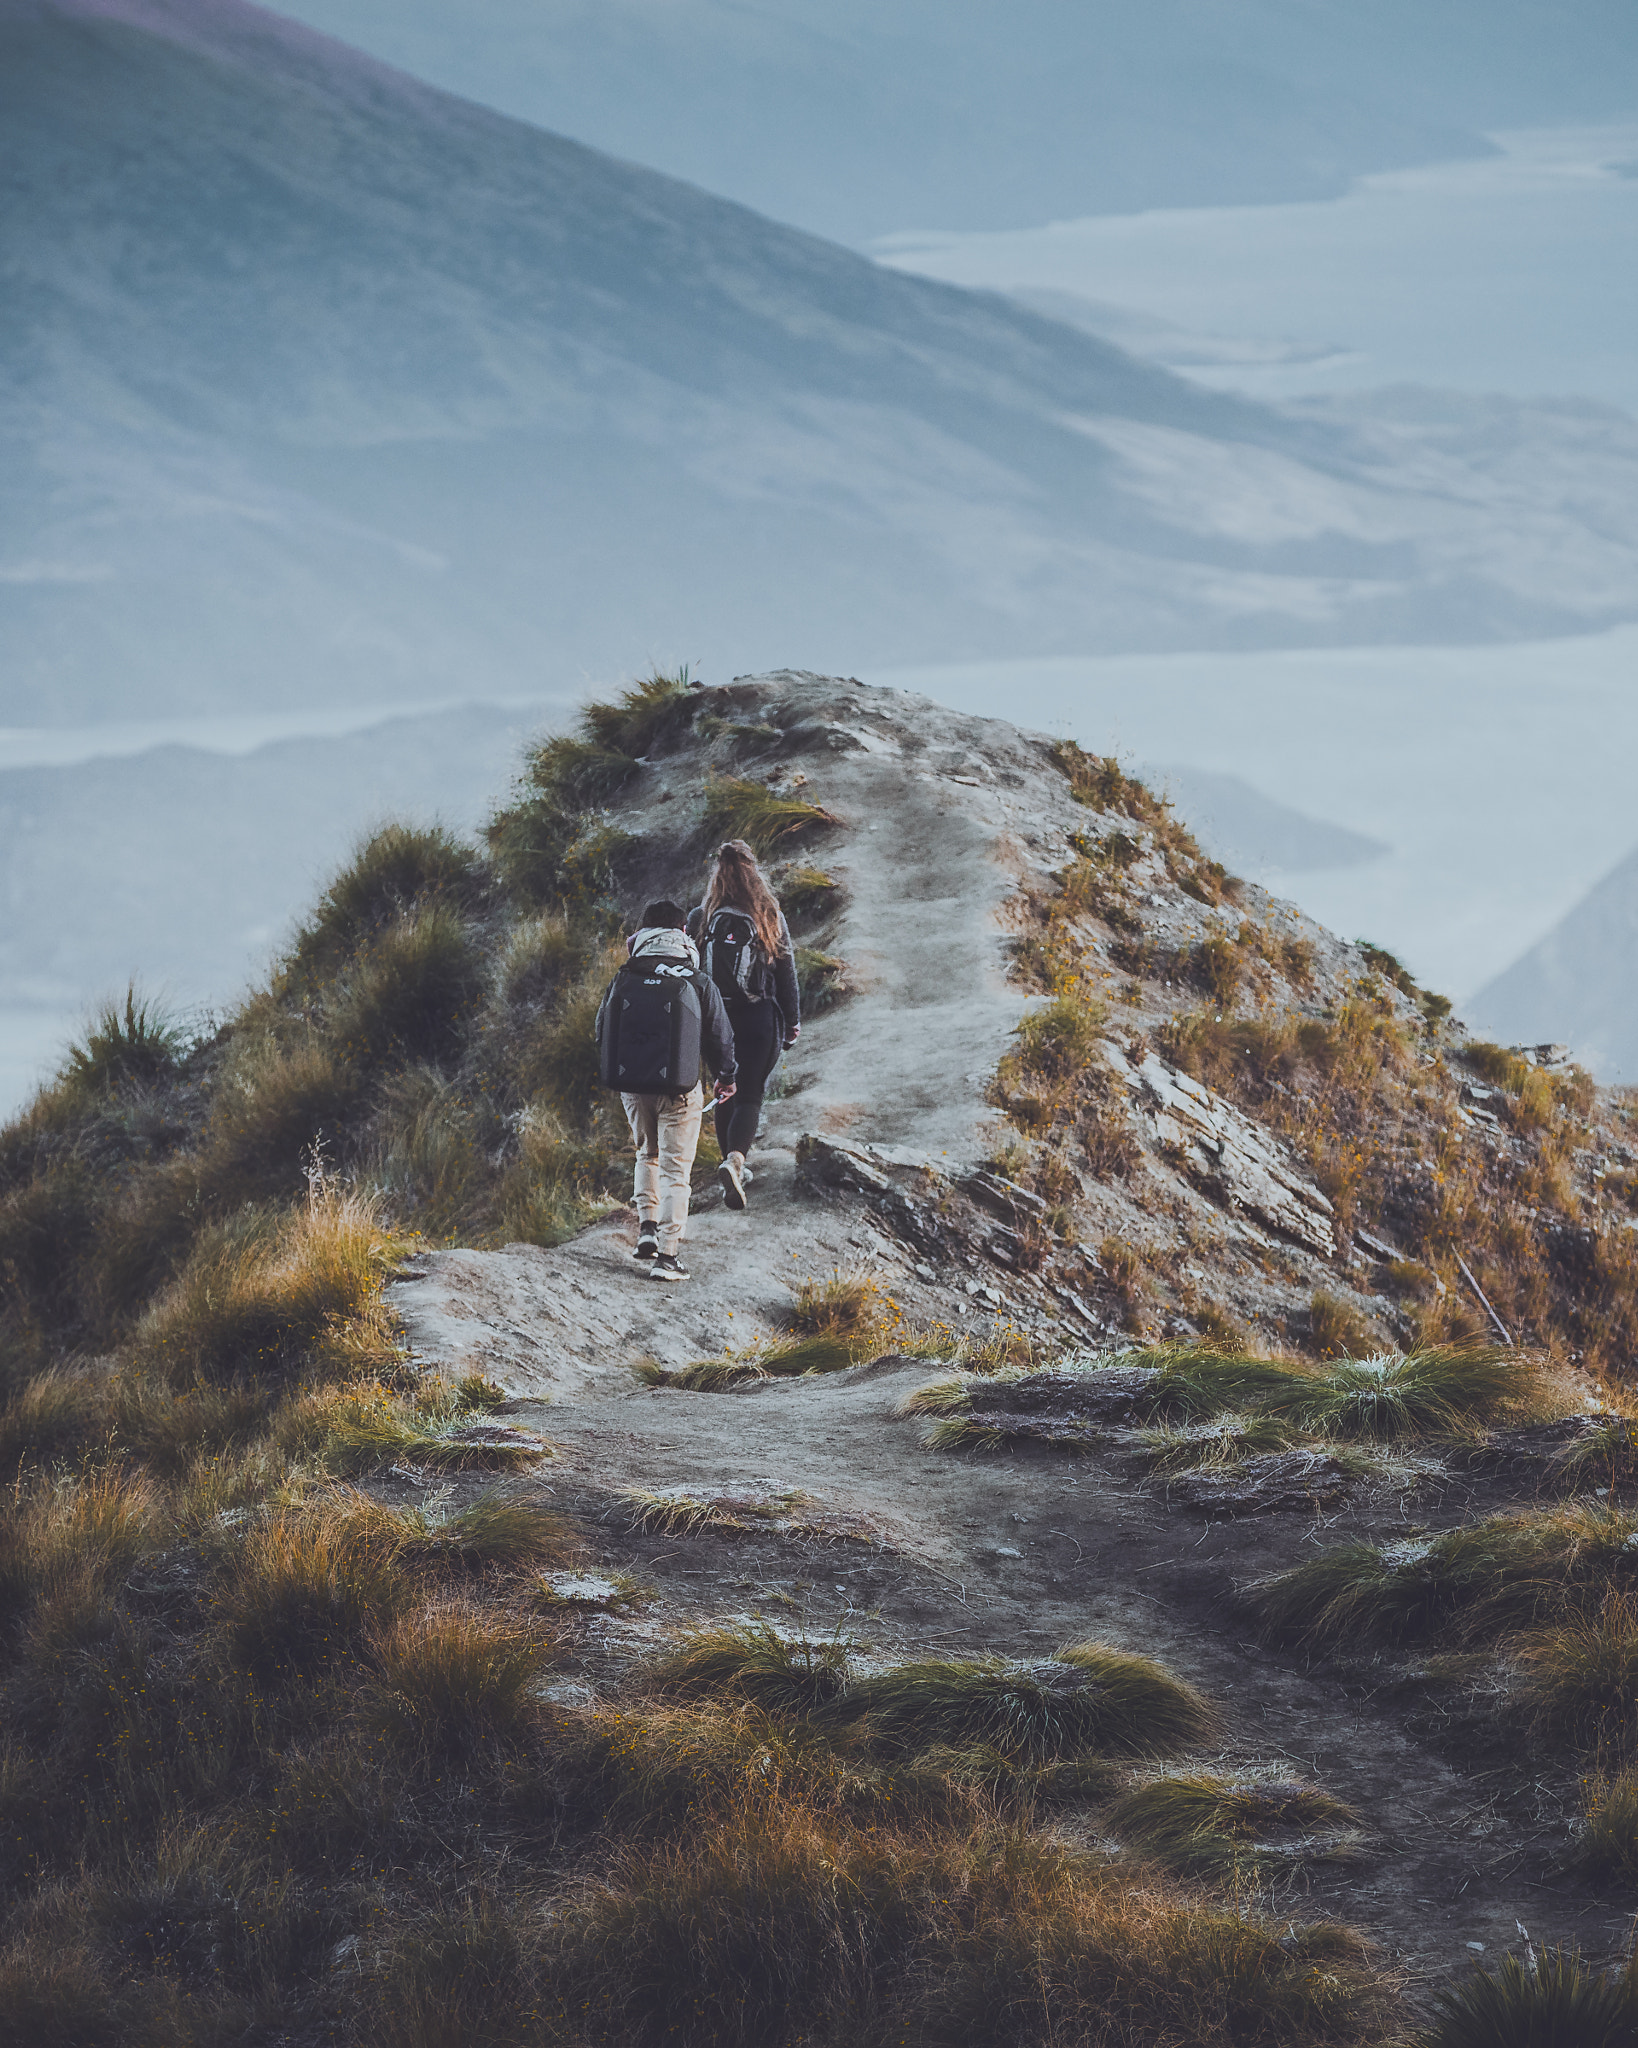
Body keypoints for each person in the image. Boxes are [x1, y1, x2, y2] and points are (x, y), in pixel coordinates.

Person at [596, 900, 737, 1282]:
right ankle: (668, 1257)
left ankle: (646, 1228)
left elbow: (600, 1029)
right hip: (681, 1087)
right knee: (677, 1172)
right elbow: (722, 1037)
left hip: (632, 1085)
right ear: (683, 934)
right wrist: (727, 1076)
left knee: (647, 1153)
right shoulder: (695, 978)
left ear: (642, 933)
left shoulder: (627, 973)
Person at [688, 840, 800, 1212]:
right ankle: (736, 1160)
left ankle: (729, 1161)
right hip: (758, 1017)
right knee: (750, 1093)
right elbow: (786, 973)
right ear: (754, 871)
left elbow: (690, 974)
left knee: (725, 1087)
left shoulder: (700, 917)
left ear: (717, 874)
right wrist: (793, 1020)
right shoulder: (768, 913)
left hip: (714, 1018)